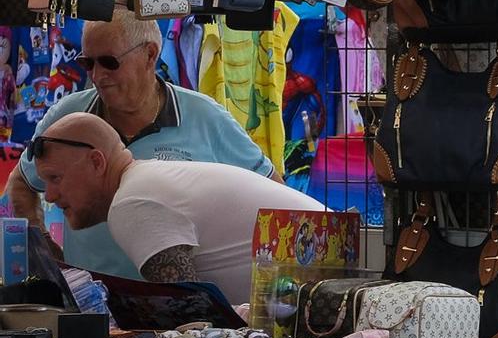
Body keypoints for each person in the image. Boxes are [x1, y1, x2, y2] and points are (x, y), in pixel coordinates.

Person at [9, 11, 276, 278]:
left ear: (150, 55)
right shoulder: (69, 119)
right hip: (94, 299)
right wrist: (43, 247)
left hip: (169, 296)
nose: (97, 76)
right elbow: (22, 182)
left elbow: (273, 192)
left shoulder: (205, 116)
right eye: (88, 63)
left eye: (109, 62)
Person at [30, 113, 323, 304]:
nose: (51, 195)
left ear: (97, 162)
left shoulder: (132, 202)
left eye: (56, 178)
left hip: (326, 300)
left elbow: (193, 314)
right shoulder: (149, 179)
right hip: (329, 283)